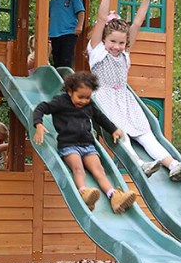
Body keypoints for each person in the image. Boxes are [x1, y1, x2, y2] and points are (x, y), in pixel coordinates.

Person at [88, 0, 181, 181]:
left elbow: (136, 23)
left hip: (125, 100)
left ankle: (173, 165)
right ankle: (139, 164)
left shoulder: (125, 54)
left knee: (146, 134)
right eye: (113, 42)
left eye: (121, 43)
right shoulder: (97, 51)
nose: (117, 47)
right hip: (104, 98)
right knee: (121, 133)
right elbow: (102, 18)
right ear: (104, 39)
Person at [31, 71, 137, 214]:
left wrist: (113, 129)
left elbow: (100, 118)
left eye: (87, 97)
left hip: (87, 145)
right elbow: (41, 108)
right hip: (68, 145)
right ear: (70, 91)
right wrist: (38, 124)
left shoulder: (89, 105)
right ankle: (84, 193)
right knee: (78, 168)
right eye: (80, 97)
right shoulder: (60, 101)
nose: (84, 101)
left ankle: (114, 196)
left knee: (99, 170)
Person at [48, 0, 85, 68]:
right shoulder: (53, 0)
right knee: (56, 59)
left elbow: (81, 11)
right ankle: (58, 79)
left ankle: (67, 79)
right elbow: (50, 16)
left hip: (68, 34)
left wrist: (79, 26)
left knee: (66, 59)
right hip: (55, 35)